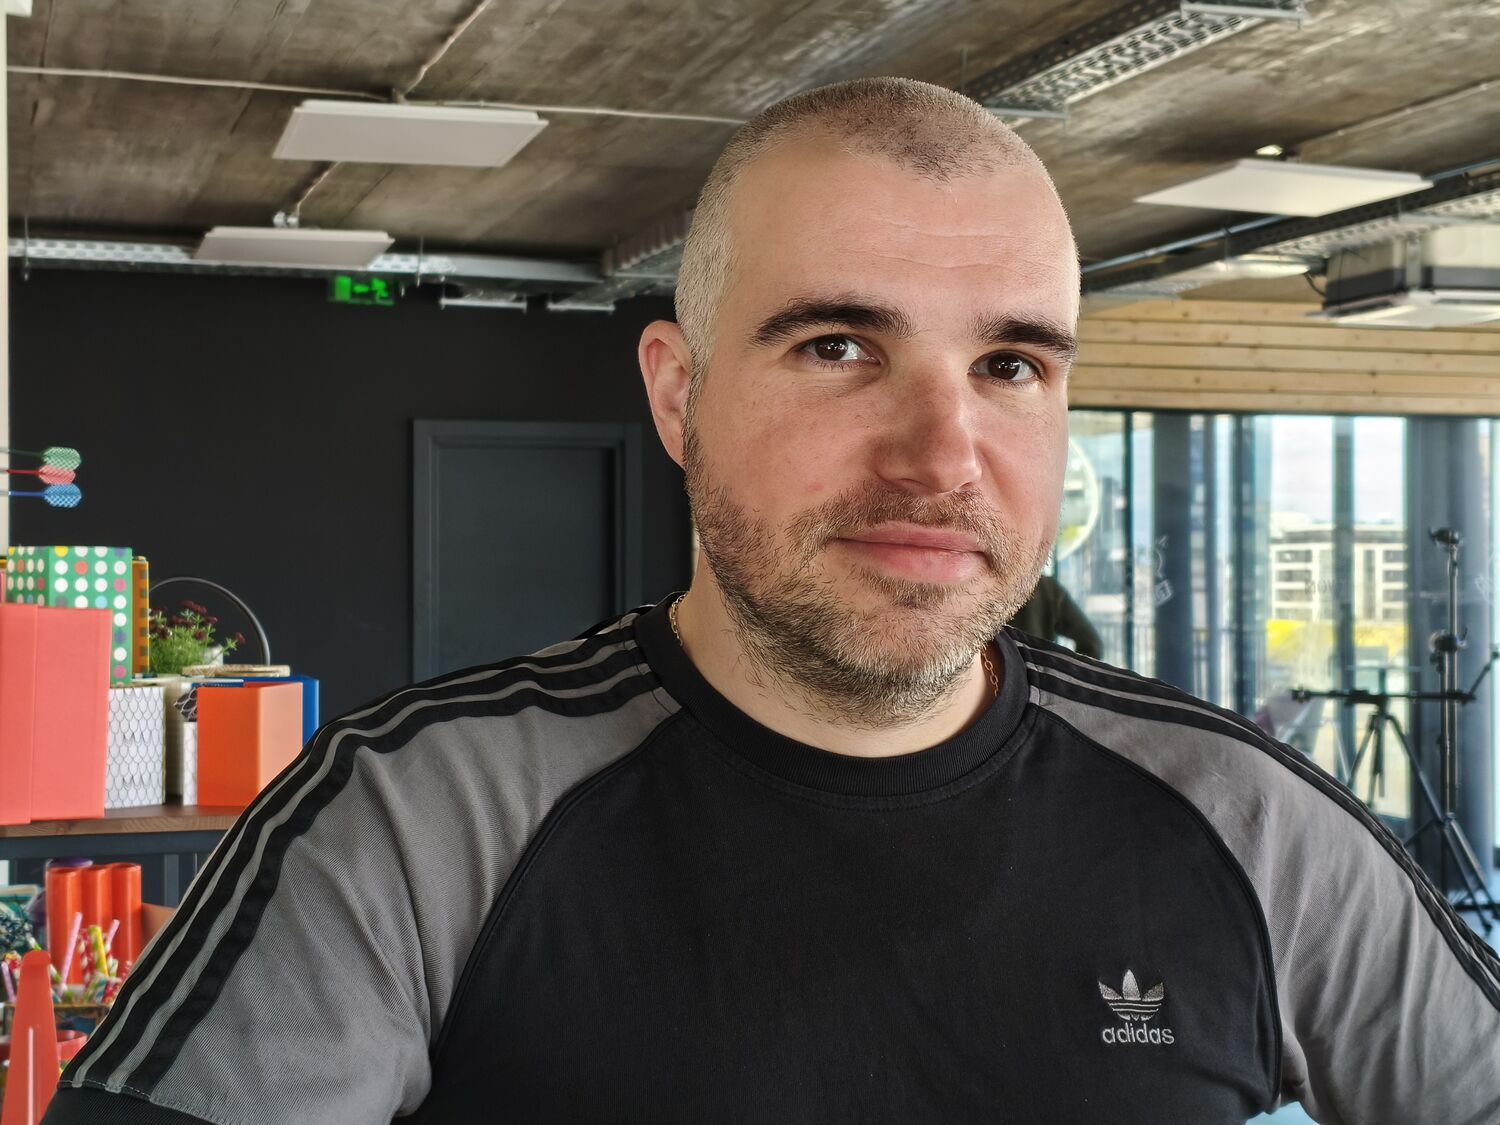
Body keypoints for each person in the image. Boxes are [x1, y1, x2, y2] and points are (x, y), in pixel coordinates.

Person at [46, 77, 1499, 1125]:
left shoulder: (1251, 826)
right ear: (679, 396)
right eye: (838, 347)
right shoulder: (417, 820)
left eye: (1010, 366)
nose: (942, 457)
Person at [1011, 573, 1103, 658]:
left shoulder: (1047, 588)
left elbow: (1092, 644)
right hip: (1030, 666)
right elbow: (1092, 644)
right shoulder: (1047, 588)